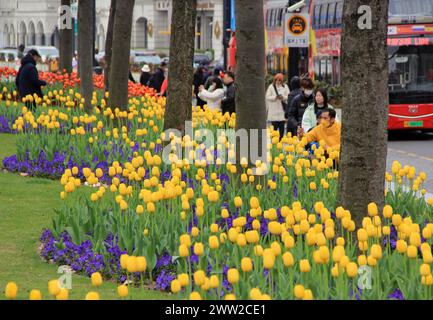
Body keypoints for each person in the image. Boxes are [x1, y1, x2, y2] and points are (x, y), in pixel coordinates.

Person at [266, 73, 290, 139]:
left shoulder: (285, 87)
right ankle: (274, 145)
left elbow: (288, 96)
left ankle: (280, 143)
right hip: (274, 112)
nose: (278, 81)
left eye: (279, 80)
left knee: (281, 132)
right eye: (276, 80)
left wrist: (283, 97)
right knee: (274, 132)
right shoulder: (271, 87)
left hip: (282, 112)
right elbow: (267, 97)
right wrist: (275, 97)